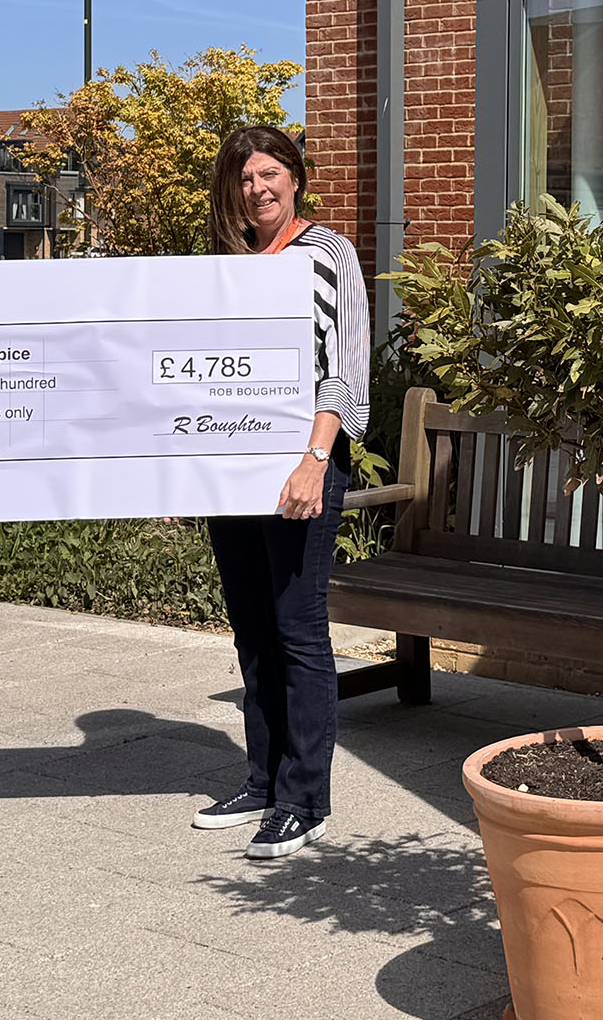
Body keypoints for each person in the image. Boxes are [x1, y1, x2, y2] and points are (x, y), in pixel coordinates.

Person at [192, 125, 369, 859]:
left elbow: (343, 365)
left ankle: (305, 798)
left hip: (302, 466)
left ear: (295, 177)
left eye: (269, 173)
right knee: (252, 630)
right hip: (233, 474)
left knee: (298, 631)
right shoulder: (230, 265)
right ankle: (262, 780)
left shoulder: (324, 253)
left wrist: (315, 459)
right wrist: (183, 468)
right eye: (243, 178)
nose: (257, 188)